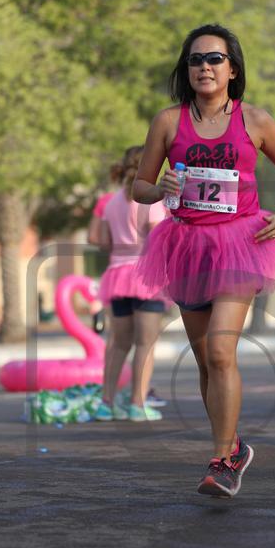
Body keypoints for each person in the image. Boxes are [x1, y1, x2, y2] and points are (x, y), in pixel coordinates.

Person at [133, 23, 275, 497]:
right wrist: (159, 188)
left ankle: (222, 460)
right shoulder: (168, 122)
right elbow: (139, 186)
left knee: (221, 351)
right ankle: (234, 447)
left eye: (214, 59)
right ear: (186, 69)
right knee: (206, 361)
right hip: (186, 245)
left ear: (232, 69)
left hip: (240, 242)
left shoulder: (256, 120)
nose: (204, 67)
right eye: (195, 60)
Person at [94, 145, 167, 422]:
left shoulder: (111, 202)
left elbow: (104, 243)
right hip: (145, 276)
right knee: (145, 344)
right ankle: (137, 404)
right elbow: (158, 239)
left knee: (118, 344)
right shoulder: (151, 201)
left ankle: (106, 403)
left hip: (117, 276)